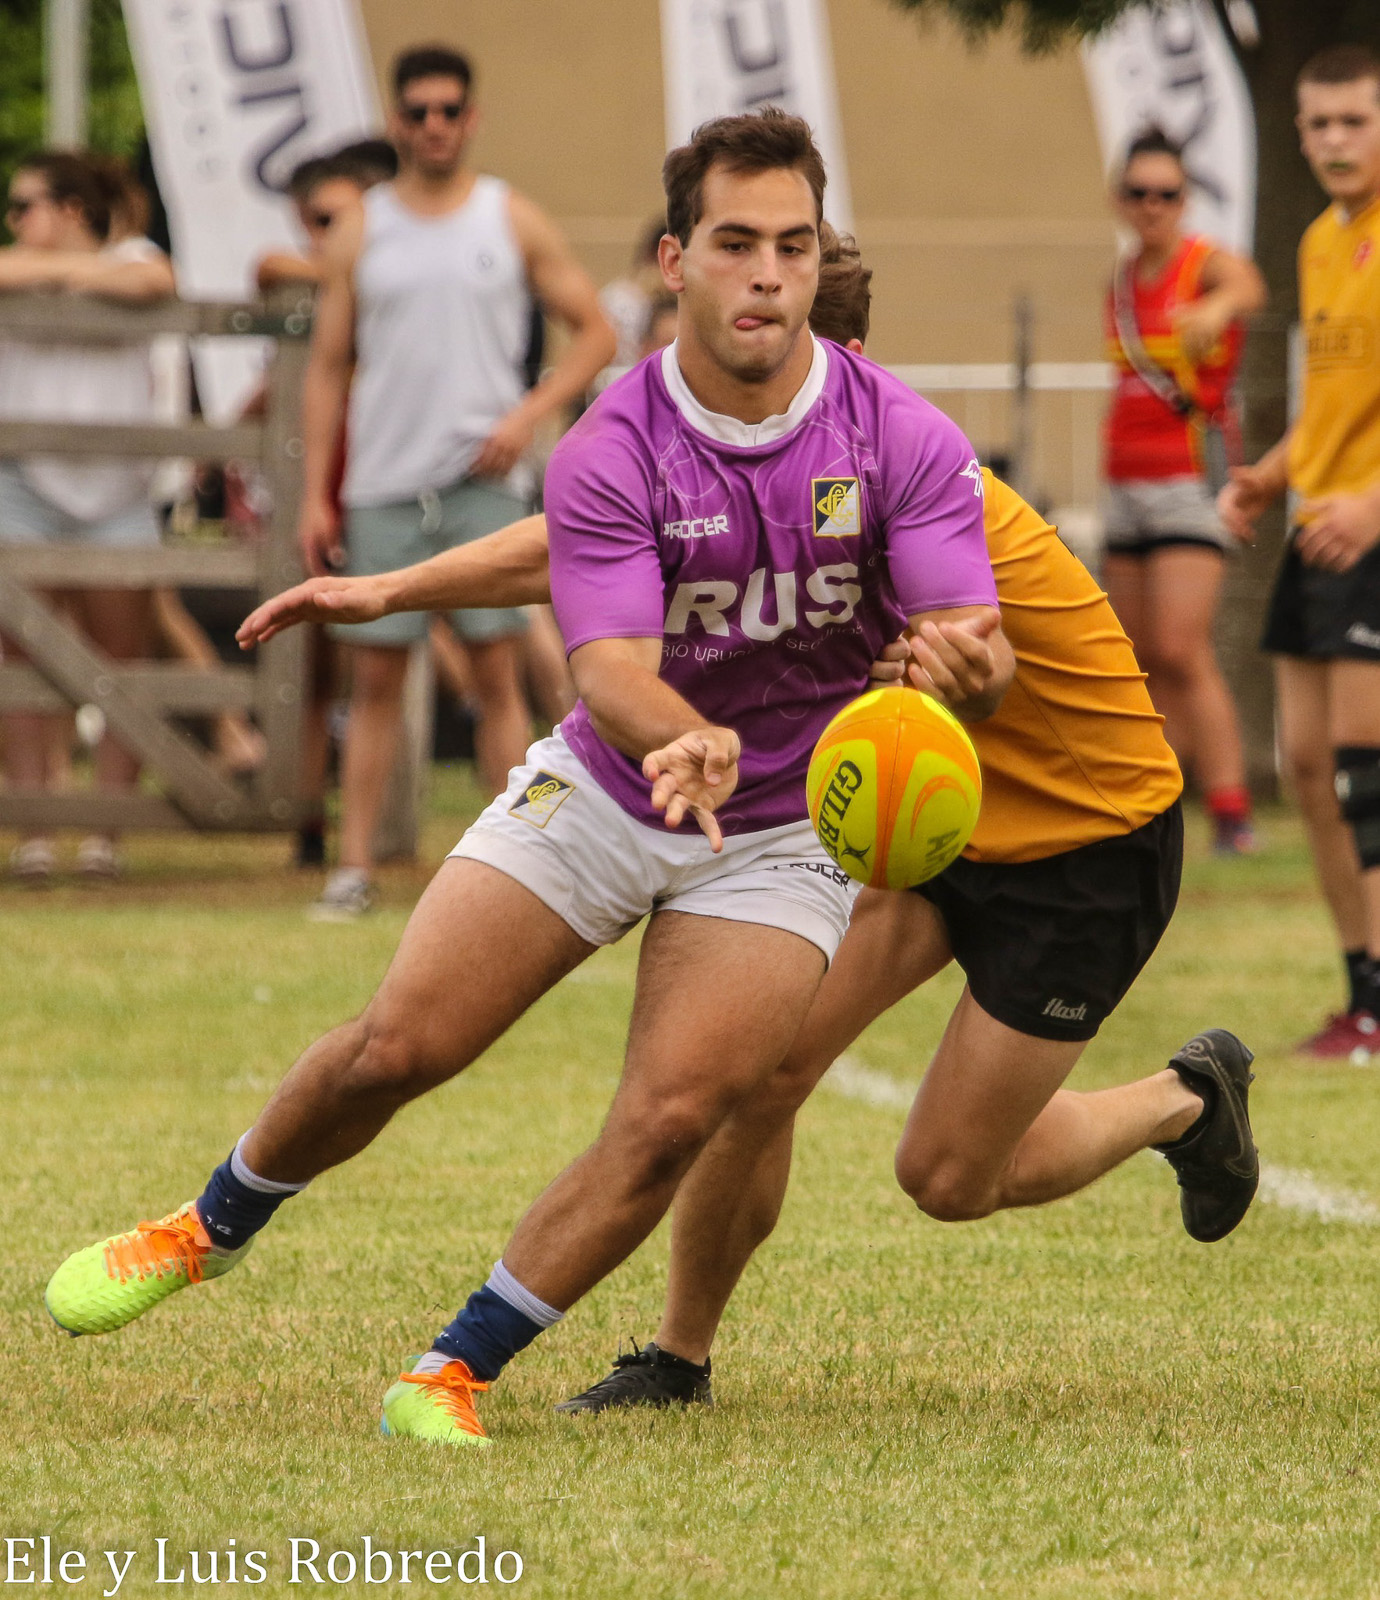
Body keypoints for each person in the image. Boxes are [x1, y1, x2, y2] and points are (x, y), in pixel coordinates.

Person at [46, 109, 1014, 1452]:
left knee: (675, 1115)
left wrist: (969, 668)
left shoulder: (901, 434)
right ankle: (205, 1228)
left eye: (793, 246)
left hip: (782, 830)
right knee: (400, 1047)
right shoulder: (615, 439)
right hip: (610, 785)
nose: (767, 275)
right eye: (736, 243)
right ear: (675, 260)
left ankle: (452, 1371)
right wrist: (682, 731)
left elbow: (976, 640)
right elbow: (608, 665)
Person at [235, 222, 1255, 1423]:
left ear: (840, 356)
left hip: (1088, 838)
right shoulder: (778, 468)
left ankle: (1185, 1099)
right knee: (761, 1068)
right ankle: (679, 1357)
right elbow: (588, 541)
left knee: (946, 1174)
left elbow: (990, 662)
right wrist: (393, 587)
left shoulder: (908, 482)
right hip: (930, 814)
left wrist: (962, 666)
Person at [298, 44, 616, 918]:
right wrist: (315, 492)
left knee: (494, 677)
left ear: (471, 119)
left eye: (448, 110)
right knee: (373, 682)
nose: (433, 126)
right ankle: (352, 868)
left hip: (482, 482)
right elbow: (327, 367)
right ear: (397, 121)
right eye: (418, 111)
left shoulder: (508, 216)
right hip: (383, 482)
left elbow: (595, 330)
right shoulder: (361, 226)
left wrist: (527, 416)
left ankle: (513, 870)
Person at [1220, 45, 1380, 1058]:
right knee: (1310, 766)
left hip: (1367, 532)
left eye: (1354, 120)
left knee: (1367, 770)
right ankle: (1361, 989)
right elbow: (1331, 406)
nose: (1334, 140)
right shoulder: (1325, 241)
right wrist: (1268, 477)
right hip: (1318, 529)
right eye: (1317, 124)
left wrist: (1372, 508)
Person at [0, 151, 176, 882]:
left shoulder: (134, 256)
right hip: (24, 485)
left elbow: (153, 282)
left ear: (71, 210)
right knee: (18, 658)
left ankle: (108, 831)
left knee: (120, 662)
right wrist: (60, 274)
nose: (13, 220)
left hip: (117, 493)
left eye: (24, 206)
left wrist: (59, 274)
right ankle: (34, 829)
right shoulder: (18, 264)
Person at [1100, 128, 1266, 857]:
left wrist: (1216, 309)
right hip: (1123, 479)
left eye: (1166, 194)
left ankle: (1233, 811)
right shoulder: (1119, 281)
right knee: (1137, 656)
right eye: (1139, 193)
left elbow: (1250, 285)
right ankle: (1155, 808)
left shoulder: (1203, 264)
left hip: (1187, 480)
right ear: (1120, 199)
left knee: (1180, 646)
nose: (1152, 206)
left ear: (1184, 198)